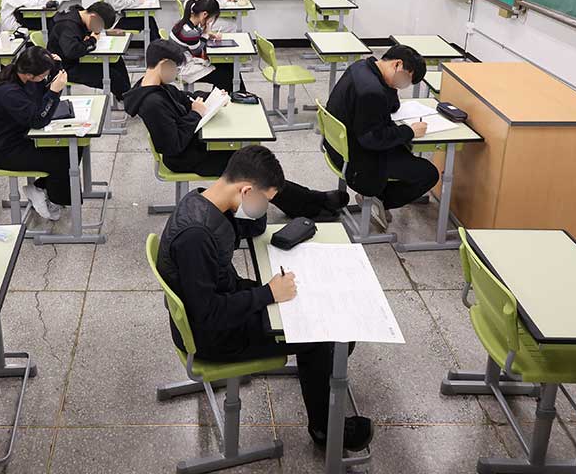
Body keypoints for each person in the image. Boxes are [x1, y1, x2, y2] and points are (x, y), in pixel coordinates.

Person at [156, 146, 372, 452]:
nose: (264, 208)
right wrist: (269, 293)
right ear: (245, 190)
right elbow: (210, 315)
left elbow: (253, 228)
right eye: (264, 201)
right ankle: (325, 429)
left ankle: (316, 366)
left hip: (223, 300)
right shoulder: (196, 236)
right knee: (328, 334)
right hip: (214, 336)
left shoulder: (203, 199)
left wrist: (248, 209)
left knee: (323, 323)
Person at [125, 41, 348, 219]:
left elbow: (183, 99)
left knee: (252, 160)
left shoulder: (154, 86)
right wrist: (196, 113)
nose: (178, 73)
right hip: (184, 156)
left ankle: (307, 200)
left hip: (194, 143)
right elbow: (171, 144)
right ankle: (309, 204)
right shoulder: (152, 102)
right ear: (164, 64)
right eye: (176, 68)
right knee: (253, 170)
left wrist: (210, 99)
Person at [324, 45, 437, 231]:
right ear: (398, 64)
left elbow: (392, 107)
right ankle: (380, 200)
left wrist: (391, 86)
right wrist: (410, 131)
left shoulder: (361, 67)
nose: (404, 85)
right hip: (359, 163)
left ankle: (379, 197)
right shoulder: (372, 92)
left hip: (337, 147)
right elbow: (373, 139)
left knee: (404, 150)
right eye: (407, 79)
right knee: (428, 173)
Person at [0, 46, 73, 221]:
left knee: (74, 147)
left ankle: (41, 187)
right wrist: (54, 92)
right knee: (63, 157)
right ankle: (52, 198)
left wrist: (56, 67)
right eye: (43, 74)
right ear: (31, 75)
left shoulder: (24, 76)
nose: (45, 78)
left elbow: (39, 98)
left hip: (23, 136)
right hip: (7, 150)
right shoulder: (9, 92)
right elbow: (38, 120)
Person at [46, 1, 131, 101]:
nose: (98, 30)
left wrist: (85, 39)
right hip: (64, 68)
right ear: (93, 17)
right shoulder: (67, 25)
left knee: (116, 61)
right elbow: (72, 51)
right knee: (111, 76)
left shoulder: (79, 14)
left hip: (77, 60)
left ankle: (128, 95)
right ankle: (128, 100)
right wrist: (92, 40)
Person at [170, 0, 243, 93]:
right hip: (183, 69)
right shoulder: (189, 32)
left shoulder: (186, 22)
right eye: (212, 19)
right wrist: (206, 33)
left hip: (182, 61)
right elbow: (198, 52)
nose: (211, 22)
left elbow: (195, 40)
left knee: (229, 65)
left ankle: (240, 94)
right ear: (205, 14)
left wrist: (207, 34)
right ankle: (228, 98)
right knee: (226, 76)